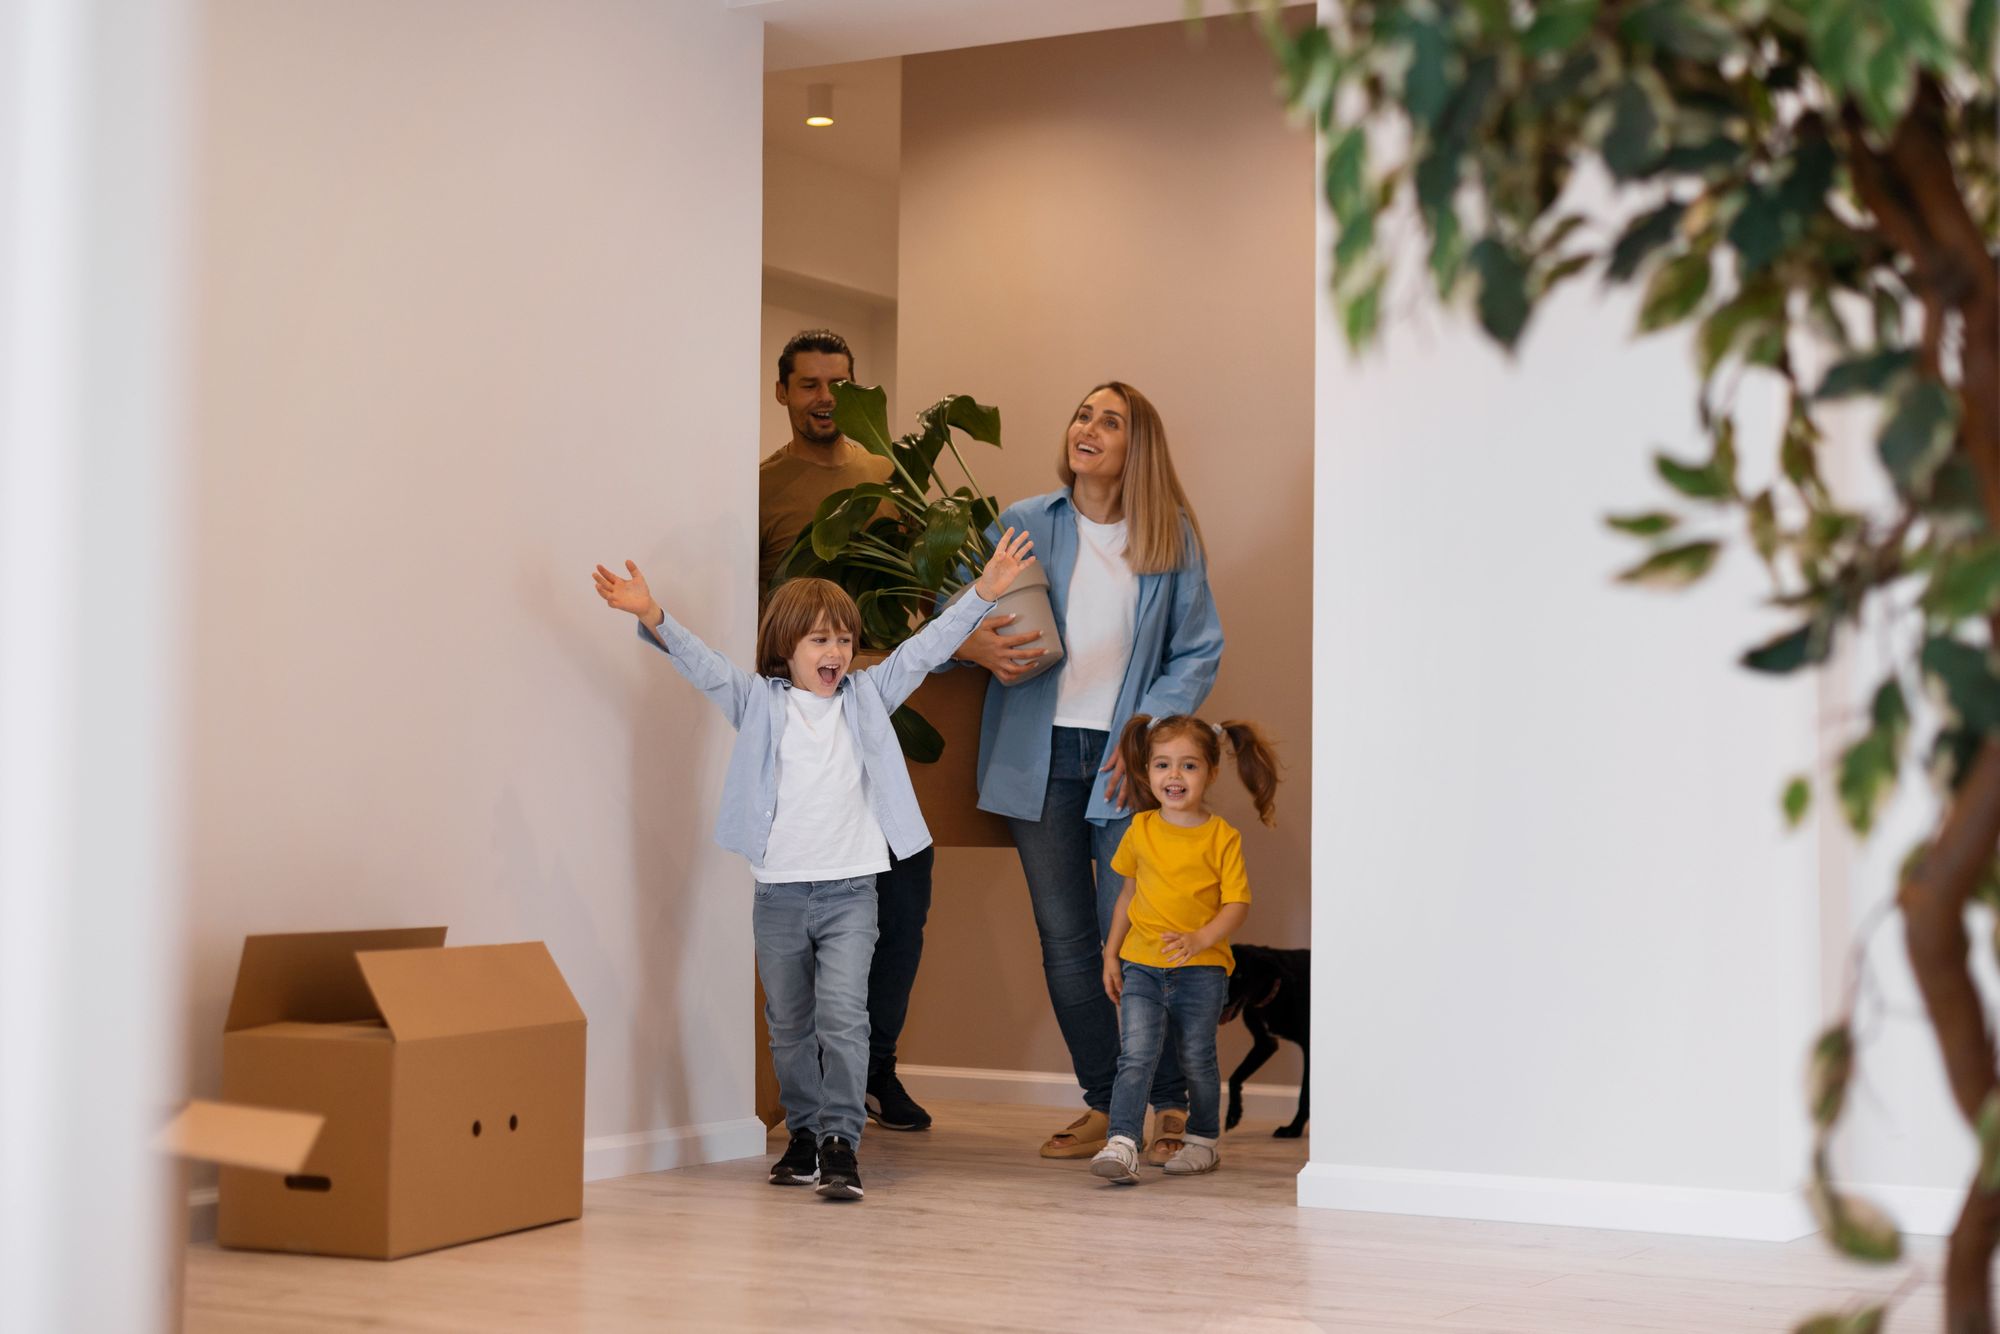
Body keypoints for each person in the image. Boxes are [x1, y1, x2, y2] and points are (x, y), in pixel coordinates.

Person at [591, 530, 1037, 1200]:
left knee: (843, 1017)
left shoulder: (867, 697)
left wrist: (984, 594)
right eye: (819, 640)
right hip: (779, 896)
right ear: (786, 650)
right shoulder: (758, 703)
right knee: (790, 1023)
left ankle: (840, 1141)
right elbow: (705, 665)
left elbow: (925, 649)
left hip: (852, 891)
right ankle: (802, 1134)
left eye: (844, 639)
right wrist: (652, 614)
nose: (835, 652)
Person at [952, 381, 1224, 1162]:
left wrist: (1141, 739)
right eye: (1082, 414)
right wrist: (975, 646)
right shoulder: (1027, 523)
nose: (1090, 428)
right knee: (1065, 942)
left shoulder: (1169, 536)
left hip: (1121, 766)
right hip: (1034, 762)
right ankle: (1110, 1106)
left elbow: (1197, 648)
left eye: (1111, 421)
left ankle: (1168, 1105)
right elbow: (956, 612)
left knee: (1141, 933)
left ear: (1138, 447)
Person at [758, 328, 937, 1132]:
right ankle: (813, 1100)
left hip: (882, 717)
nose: (826, 398)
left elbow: (921, 592)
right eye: (809, 385)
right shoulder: (762, 489)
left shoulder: (885, 478)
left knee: (902, 899)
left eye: (839, 383)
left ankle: (877, 1068)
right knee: (807, 920)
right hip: (804, 738)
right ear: (783, 393)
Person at [1089, 713, 1280, 1184]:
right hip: (1142, 968)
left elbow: (1237, 904)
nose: (1174, 776)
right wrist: (1111, 955)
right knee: (1135, 1055)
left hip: (1202, 972)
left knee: (1198, 1057)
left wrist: (1200, 939)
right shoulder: (1141, 829)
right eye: (1162, 765)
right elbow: (1127, 898)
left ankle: (1203, 1142)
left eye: (1189, 766)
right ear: (1148, 771)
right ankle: (1123, 1141)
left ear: (1211, 772)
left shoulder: (1222, 837)